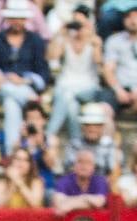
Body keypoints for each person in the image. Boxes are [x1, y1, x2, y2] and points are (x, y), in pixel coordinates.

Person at [0, 0, 49, 156]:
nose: (17, 21)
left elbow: (43, 73)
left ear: (26, 20)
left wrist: (24, 80)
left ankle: (11, 154)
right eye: (14, 18)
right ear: (8, 19)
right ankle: (28, 99)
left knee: (11, 104)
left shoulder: (35, 41)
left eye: (20, 18)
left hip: (24, 86)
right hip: (2, 87)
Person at [47, 4, 104, 142]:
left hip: (87, 85)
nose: (77, 27)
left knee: (67, 95)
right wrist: (60, 33)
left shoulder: (94, 40)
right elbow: (52, 58)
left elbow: (99, 63)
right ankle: (76, 142)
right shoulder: (66, 39)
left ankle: (48, 134)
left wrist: (90, 35)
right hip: (66, 84)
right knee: (72, 105)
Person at [100, 7, 137, 114]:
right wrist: (118, 90)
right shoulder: (114, 41)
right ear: (123, 21)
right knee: (103, 110)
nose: (133, 21)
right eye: (129, 17)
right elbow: (108, 69)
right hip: (118, 88)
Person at [52, 147, 109, 214]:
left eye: (88, 162)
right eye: (80, 161)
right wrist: (88, 200)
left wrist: (70, 205)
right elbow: (58, 202)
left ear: (93, 167)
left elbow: (99, 202)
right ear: (74, 165)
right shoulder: (65, 180)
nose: (84, 166)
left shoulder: (100, 180)